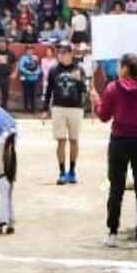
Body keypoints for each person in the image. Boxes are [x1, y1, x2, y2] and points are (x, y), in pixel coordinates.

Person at [92, 53, 137, 249]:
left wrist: (96, 101)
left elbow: (103, 116)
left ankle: (113, 233)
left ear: (125, 68)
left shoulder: (112, 89)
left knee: (115, 190)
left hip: (118, 142)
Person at [43, 42, 86, 185]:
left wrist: (79, 79)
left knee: (74, 140)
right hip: (58, 108)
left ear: (71, 53)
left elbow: (84, 90)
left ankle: (72, 171)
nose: (61, 55)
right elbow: (49, 90)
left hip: (76, 108)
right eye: (60, 52)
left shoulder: (79, 69)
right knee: (61, 140)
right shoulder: (54, 70)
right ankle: (62, 172)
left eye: (64, 52)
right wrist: (45, 109)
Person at [18, 47, 42, 114]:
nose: (30, 51)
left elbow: (38, 67)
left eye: (31, 50)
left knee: (33, 94)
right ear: (26, 51)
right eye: (28, 50)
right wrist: (28, 72)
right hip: (26, 78)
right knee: (26, 94)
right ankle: (25, 108)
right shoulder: (23, 58)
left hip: (34, 78)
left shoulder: (35, 57)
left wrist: (36, 72)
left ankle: (33, 109)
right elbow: (21, 67)